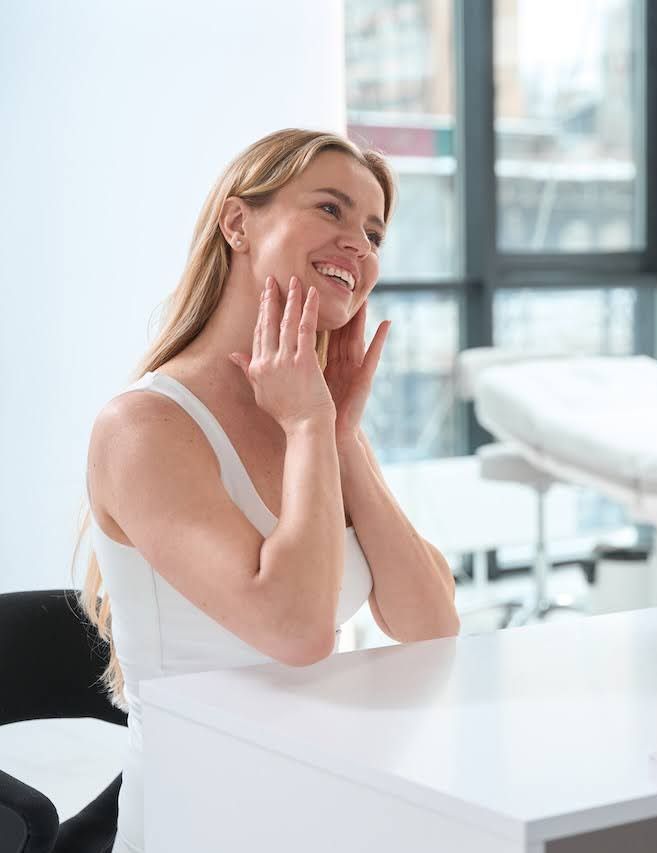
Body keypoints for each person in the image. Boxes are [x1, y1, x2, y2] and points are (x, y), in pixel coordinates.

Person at [78, 129, 460, 853]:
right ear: (238, 222)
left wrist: (340, 436)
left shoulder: (312, 418)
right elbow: (296, 630)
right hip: (205, 820)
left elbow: (432, 626)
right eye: (331, 209)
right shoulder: (142, 427)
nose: (360, 246)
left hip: (324, 803)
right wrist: (315, 422)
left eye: (374, 232)